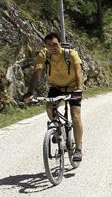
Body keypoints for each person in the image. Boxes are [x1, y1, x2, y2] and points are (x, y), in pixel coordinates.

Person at [23, 32, 84, 161]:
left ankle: (78, 149)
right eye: (49, 45)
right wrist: (30, 91)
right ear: (45, 46)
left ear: (60, 44)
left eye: (55, 44)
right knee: (49, 108)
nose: (52, 47)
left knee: (76, 115)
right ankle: (58, 129)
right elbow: (36, 73)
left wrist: (78, 89)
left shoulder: (70, 54)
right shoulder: (43, 55)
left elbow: (78, 72)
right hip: (55, 87)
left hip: (73, 87)